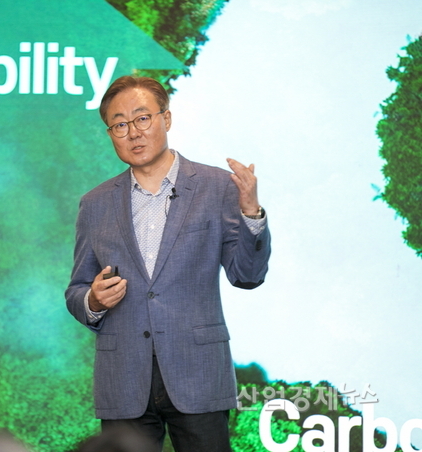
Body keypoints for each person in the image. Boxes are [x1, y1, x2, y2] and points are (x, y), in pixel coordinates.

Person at [65, 76, 271, 451]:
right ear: (110, 134)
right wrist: (92, 301)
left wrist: (250, 215)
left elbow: (247, 276)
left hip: (199, 373)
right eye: (120, 125)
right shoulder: (94, 204)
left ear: (167, 118)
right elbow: (76, 291)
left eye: (142, 118)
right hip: (123, 381)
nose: (133, 132)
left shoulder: (217, 187)